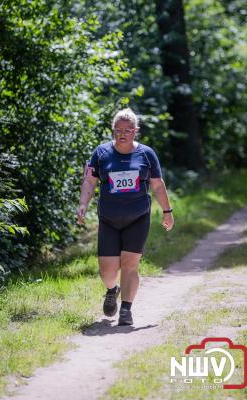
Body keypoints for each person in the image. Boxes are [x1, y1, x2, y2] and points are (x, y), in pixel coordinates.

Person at [77, 108, 174, 326]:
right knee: (107, 271)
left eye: (127, 130)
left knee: (130, 264)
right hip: (109, 219)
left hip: (138, 217)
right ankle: (112, 290)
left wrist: (167, 212)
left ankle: (126, 310)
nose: (122, 134)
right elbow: (89, 181)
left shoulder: (147, 154)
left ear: (135, 131)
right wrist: (83, 204)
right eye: (117, 130)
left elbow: (157, 186)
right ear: (113, 130)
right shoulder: (101, 153)